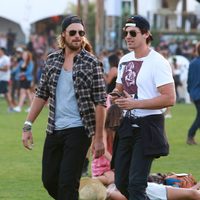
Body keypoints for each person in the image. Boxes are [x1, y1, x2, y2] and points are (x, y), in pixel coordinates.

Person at [21, 15, 107, 200]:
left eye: (81, 33)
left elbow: (101, 102)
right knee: (49, 180)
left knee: (67, 183)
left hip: (79, 131)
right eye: (73, 32)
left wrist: (99, 138)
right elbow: (41, 94)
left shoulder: (92, 63)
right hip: (54, 130)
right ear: (64, 35)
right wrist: (28, 125)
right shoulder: (52, 60)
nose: (78, 36)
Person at [110, 15, 176, 200]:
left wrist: (135, 103)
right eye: (126, 33)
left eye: (133, 33)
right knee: (122, 182)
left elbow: (170, 98)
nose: (128, 37)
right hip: (127, 126)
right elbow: (119, 88)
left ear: (146, 34)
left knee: (136, 185)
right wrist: (113, 95)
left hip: (148, 126)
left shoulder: (158, 62)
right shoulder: (124, 60)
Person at [107, 181, 200, 200]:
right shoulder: (111, 194)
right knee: (193, 193)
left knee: (192, 193)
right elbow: (109, 194)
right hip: (153, 192)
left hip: (150, 189)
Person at [186, 41, 200, 145]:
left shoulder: (192, 62)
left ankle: (191, 136)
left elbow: (189, 80)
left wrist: (190, 92)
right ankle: (190, 135)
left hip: (194, 94)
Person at [0, 47, 14, 112]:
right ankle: (11, 107)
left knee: (6, 93)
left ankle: (11, 107)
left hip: (4, 78)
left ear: (2, 51)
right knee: (6, 93)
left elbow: (6, 69)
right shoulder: (1, 58)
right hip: (1, 78)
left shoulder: (6, 58)